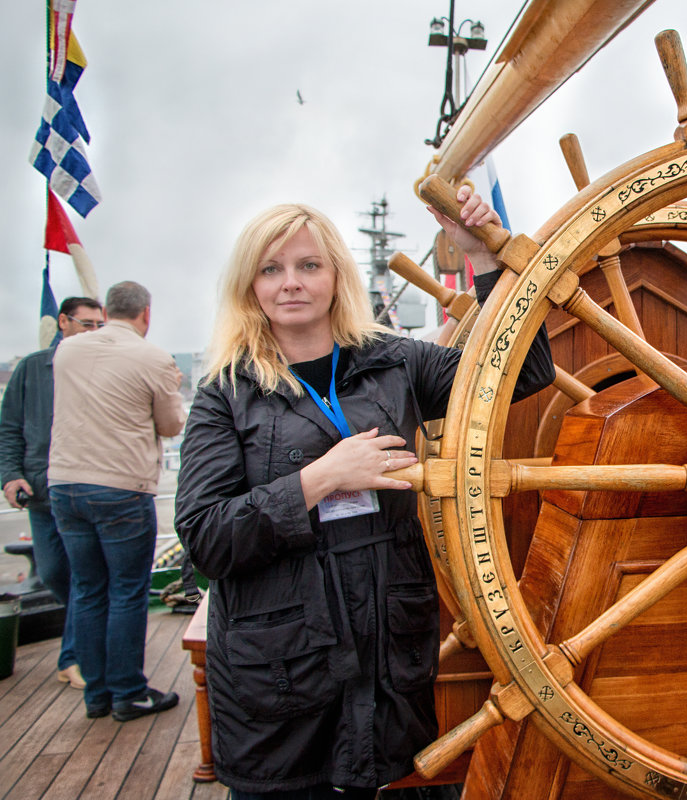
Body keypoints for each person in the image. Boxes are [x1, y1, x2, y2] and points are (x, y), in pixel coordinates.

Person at [174, 188, 554, 798]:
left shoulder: (396, 363)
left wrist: (484, 257)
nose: (290, 283)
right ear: (250, 286)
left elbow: (523, 373)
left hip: (387, 649)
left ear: (335, 277)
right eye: (271, 269)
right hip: (283, 665)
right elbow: (206, 539)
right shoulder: (226, 392)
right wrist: (321, 478)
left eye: (308, 265)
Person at [48, 281, 187, 720]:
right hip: (120, 487)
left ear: (107, 311)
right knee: (127, 591)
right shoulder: (153, 357)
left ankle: (96, 695)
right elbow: (169, 426)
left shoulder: (67, 351)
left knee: (87, 590)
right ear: (146, 313)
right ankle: (129, 692)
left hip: (65, 485)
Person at [0, 296, 105, 690]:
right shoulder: (31, 369)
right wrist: (10, 475)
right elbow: (9, 427)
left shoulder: (100, 367)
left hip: (85, 488)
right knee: (54, 572)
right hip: (43, 493)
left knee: (84, 577)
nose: (94, 332)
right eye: (87, 324)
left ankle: (74, 656)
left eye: (100, 326)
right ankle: (88, 644)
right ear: (63, 322)